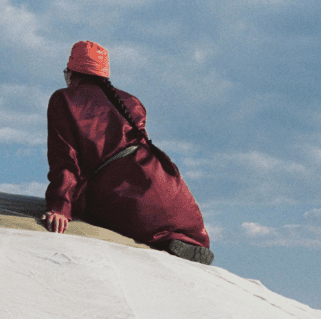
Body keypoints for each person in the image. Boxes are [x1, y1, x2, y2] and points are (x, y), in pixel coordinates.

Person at [43, 40, 214, 265]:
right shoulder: (131, 101)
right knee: (169, 226)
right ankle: (179, 238)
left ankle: (162, 240)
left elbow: (65, 158)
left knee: (111, 211)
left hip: (120, 190)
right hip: (166, 186)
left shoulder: (64, 99)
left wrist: (60, 207)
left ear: (71, 72)